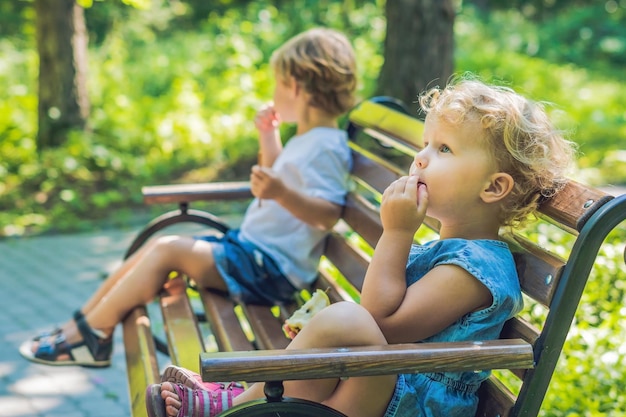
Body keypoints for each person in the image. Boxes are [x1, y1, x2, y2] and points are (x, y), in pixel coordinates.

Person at [145, 76, 576, 417]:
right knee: (341, 325)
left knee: (349, 320)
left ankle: (236, 409)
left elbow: (381, 323)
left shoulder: (475, 270)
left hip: (411, 401)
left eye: (444, 148)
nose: (421, 157)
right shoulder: (448, 252)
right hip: (387, 385)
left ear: (493, 187)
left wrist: (396, 233)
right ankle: (252, 404)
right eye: (424, 144)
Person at [19, 27, 357, 368]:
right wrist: (268, 139)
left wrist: (280, 192)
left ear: (296, 86)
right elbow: (274, 183)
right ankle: (80, 327)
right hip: (253, 255)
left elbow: (327, 214)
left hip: (269, 271)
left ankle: (92, 335)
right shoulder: (309, 138)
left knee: (169, 249)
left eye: (277, 83)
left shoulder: (327, 146)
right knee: (159, 246)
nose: (273, 91)